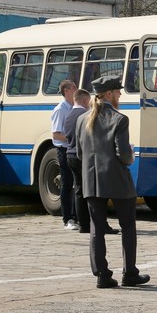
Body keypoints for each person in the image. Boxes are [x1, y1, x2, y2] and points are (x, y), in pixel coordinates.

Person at [76, 75, 150, 289]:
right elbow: (124, 155)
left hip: (91, 180)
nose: (119, 94)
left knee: (96, 229)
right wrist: (131, 155)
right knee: (128, 227)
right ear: (108, 94)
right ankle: (130, 273)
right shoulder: (120, 119)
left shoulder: (82, 119)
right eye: (117, 91)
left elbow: (80, 153)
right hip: (117, 179)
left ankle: (102, 275)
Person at [64, 88, 119, 235]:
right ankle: (98, 223)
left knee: (79, 191)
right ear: (84, 100)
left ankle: (83, 223)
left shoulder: (69, 115)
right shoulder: (84, 115)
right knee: (93, 192)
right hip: (83, 156)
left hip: (70, 154)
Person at [52, 79, 77, 230]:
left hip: (75, 150)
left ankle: (76, 216)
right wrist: (72, 138)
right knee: (67, 184)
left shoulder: (75, 107)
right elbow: (56, 134)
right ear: (66, 91)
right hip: (64, 150)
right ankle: (67, 218)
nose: (76, 89)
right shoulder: (61, 109)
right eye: (74, 87)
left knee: (76, 185)